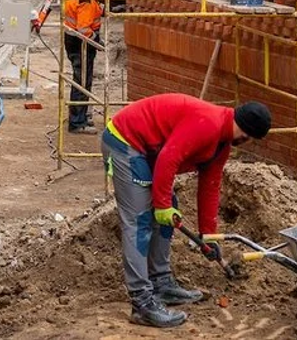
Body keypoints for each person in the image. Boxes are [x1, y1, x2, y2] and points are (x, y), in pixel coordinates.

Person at [100, 93, 272, 328]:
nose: (246, 140)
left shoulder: (221, 145)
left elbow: (210, 187)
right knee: (139, 221)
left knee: (170, 211)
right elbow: (168, 159)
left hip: (149, 149)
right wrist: (161, 205)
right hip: (125, 140)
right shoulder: (209, 124)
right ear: (244, 127)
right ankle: (141, 303)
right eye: (248, 135)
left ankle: (161, 284)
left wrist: (208, 235)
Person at [63, 0, 106, 134]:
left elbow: (86, 10)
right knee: (82, 81)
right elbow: (84, 28)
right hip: (81, 43)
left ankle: (80, 114)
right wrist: (97, 41)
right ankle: (77, 122)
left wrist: (101, 9)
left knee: (81, 78)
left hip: (72, 40)